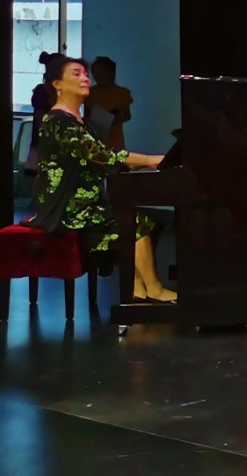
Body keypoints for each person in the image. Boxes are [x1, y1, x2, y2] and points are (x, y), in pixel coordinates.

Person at [28, 56, 171, 300]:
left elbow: (102, 161)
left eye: (86, 74)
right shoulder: (58, 120)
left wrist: (141, 167)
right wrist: (149, 160)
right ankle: (153, 288)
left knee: (150, 219)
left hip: (85, 204)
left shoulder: (81, 122)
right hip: (66, 209)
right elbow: (100, 156)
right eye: (76, 74)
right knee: (137, 222)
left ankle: (137, 288)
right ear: (57, 84)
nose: (86, 78)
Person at [83, 56, 134, 152]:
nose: (97, 76)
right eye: (95, 73)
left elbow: (127, 115)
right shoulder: (90, 93)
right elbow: (86, 116)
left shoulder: (121, 93)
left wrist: (112, 119)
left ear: (112, 73)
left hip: (115, 139)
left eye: (102, 73)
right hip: (95, 137)